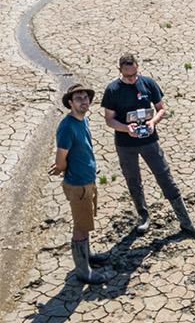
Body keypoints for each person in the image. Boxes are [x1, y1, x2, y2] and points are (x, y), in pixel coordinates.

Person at [101, 54, 195, 239]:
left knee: (165, 176)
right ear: (119, 71)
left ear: (137, 67)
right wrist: (126, 128)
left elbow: (161, 109)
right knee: (133, 180)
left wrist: (153, 122)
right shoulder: (112, 90)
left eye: (134, 75)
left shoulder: (148, 83)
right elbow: (109, 120)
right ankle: (143, 217)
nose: (131, 79)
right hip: (126, 144)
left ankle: (186, 222)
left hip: (149, 141)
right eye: (127, 76)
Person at [51, 83, 111, 284]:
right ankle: (83, 271)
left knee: (85, 222)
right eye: (78, 98)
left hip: (88, 180)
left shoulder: (82, 120)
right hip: (78, 185)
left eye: (85, 98)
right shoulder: (67, 127)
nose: (83, 101)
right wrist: (63, 168)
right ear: (70, 102)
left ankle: (88, 255)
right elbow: (60, 161)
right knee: (79, 226)